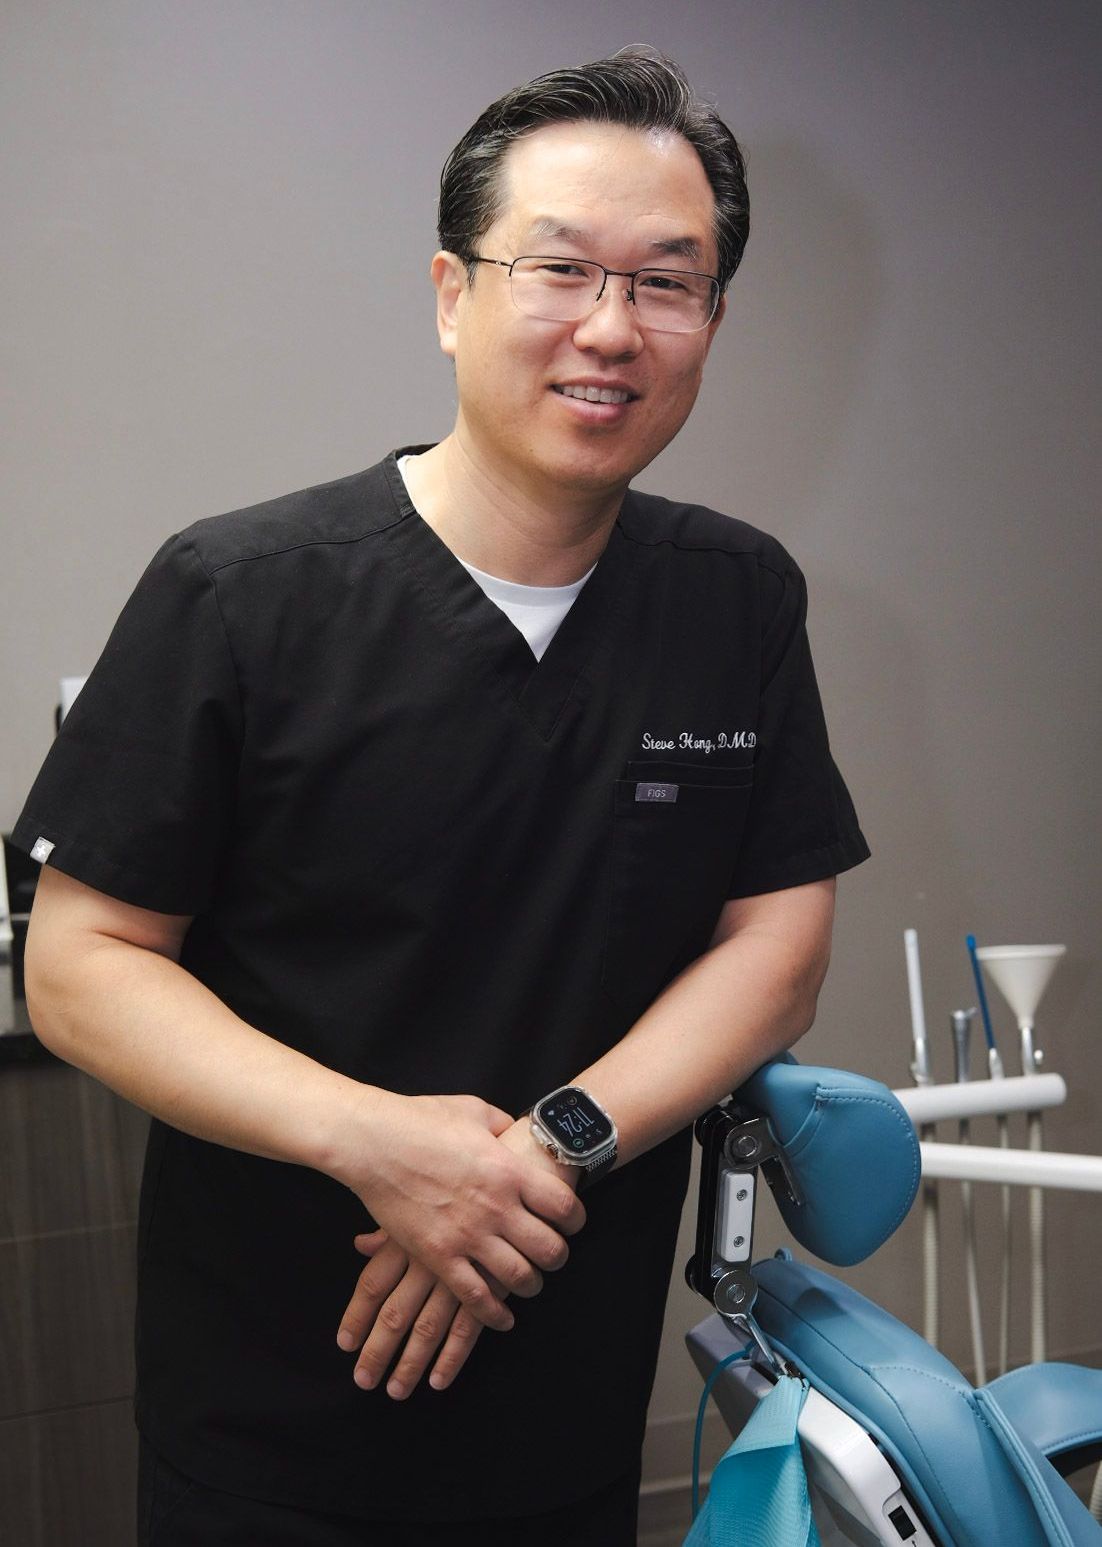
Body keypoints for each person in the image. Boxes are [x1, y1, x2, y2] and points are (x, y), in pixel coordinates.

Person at [17, 46, 869, 1547]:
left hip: (571, 1382)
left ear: (711, 322)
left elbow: (774, 947)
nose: (611, 327)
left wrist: (550, 1146)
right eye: (558, 269)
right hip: (275, 1404)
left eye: (667, 284)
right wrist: (376, 1143)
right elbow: (81, 965)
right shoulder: (240, 594)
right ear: (450, 294)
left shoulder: (731, 598)